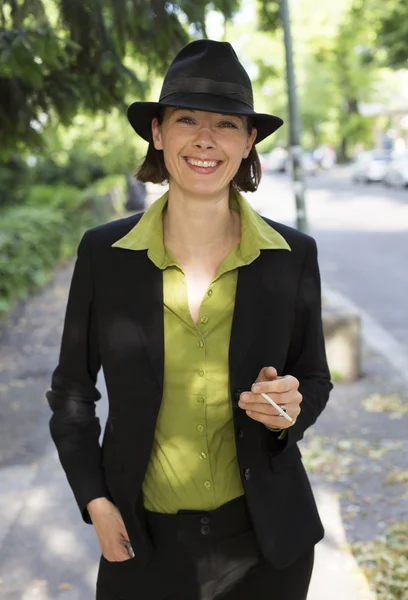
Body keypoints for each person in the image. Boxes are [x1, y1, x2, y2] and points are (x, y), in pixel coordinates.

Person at [47, 39, 332, 600]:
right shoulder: (104, 255)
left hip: (268, 546)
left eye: (227, 124)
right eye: (186, 119)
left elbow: (314, 379)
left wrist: (286, 414)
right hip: (141, 542)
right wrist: (95, 503)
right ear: (158, 132)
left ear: (249, 141)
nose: (206, 139)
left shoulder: (292, 256)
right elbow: (72, 393)